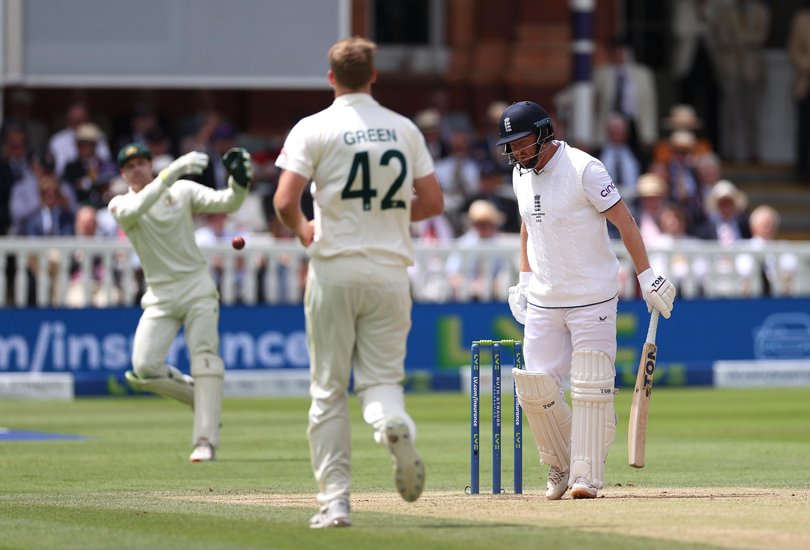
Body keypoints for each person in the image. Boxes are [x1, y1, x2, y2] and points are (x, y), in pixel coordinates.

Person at [273, 36, 444, 528]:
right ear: (373, 76)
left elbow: (286, 202)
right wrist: (386, 213)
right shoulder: (403, 128)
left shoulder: (314, 127)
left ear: (331, 78)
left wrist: (305, 230)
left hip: (335, 268)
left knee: (328, 390)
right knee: (382, 383)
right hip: (390, 271)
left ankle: (336, 501)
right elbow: (432, 204)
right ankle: (391, 424)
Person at [497, 101, 676, 500]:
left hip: (592, 297)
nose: (519, 152)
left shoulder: (584, 169)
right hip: (544, 299)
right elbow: (528, 224)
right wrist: (525, 278)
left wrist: (645, 275)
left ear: (544, 133)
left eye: (524, 143)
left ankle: (586, 476)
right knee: (535, 389)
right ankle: (561, 464)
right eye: (512, 146)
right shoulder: (519, 174)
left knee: (592, 385)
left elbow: (624, 220)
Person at [111, 142, 252, 462]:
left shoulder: (182, 191)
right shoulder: (120, 204)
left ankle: (205, 442)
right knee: (143, 369)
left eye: (142, 162)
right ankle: (201, 397)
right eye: (130, 165)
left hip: (197, 288)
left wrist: (240, 181)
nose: (137, 168)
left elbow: (228, 202)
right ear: (123, 173)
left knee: (204, 358)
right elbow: (135, 211)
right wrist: (171, 171)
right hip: (160, 296)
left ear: (149, 164)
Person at [788, 2, 810, 182]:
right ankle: (803, 172)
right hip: (806, 81)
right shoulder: (802, 19)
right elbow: (793, 49)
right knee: (804, 129)